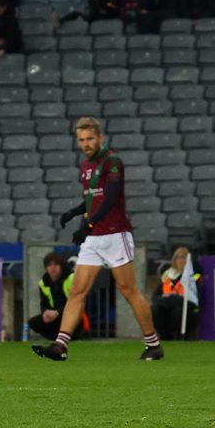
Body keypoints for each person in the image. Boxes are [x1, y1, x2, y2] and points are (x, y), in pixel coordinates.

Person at [34, 117, 163, 363]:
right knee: (77, 291)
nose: (86, 144)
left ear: (100, 138)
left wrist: (89, 224)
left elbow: (112, 197)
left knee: (128, 291)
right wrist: (74, 212)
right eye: (81, 140)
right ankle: (60, 346)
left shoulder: (112, 162)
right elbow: (93, 199)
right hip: (94, 237)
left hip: (115, 234)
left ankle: (153, 344)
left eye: (90, 138)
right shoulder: (86, 166)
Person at [152, 246, 201, 340]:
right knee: (155, 309)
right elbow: (156, 295)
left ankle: (178, 335)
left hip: (185, 305)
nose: (181, 260)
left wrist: (174, 299)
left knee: (178, 311)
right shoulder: (167, 275)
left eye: (184, 257)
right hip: (167, 304)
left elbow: (195, 297)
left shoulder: (193, 276)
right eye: (178, 257)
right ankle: (164, 336)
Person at [27, 252, 73, 341]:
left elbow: (74, 303)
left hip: (69, 313)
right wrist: (45, 312)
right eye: (49, 265)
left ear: (61, 266)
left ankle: (65, 337)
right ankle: (57, 339)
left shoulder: (71, 278)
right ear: (46, 268)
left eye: (56, 265)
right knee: (33, 323)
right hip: (54, 315)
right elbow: (44, 303)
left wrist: (57, 313)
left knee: (70, 320)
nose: (53, 268)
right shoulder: (43, 283)